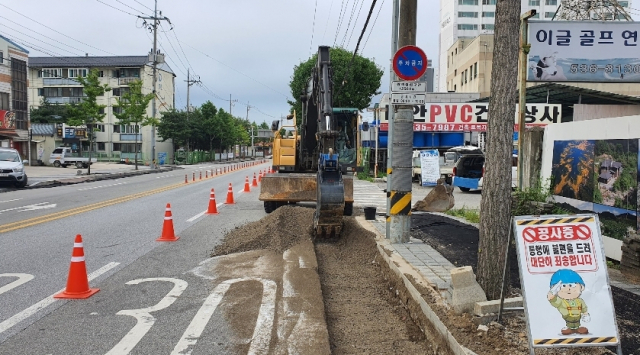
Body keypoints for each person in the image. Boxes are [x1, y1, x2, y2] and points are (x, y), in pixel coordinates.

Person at [547, 269, 590, 335]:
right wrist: (553, 290)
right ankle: (569, 328)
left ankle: (577, 328)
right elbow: (551, 298)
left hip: (578, 319)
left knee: (580, 328)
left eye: (572, 285)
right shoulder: (561, 301)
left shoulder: (580, 301)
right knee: (567, 330)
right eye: (563, 286)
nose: (568, 289)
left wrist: (586, 314)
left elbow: (584, 308)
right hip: (568, 320)